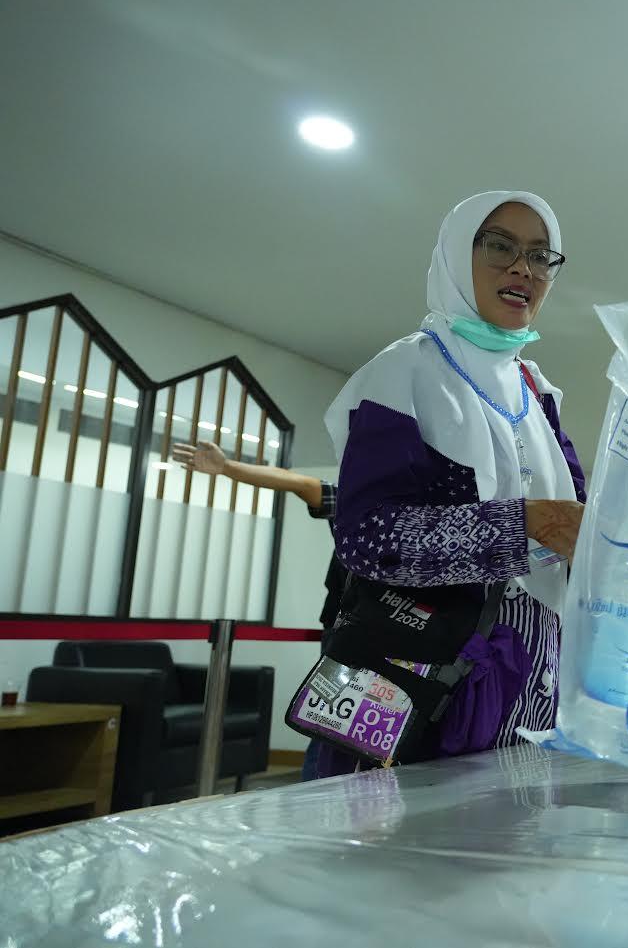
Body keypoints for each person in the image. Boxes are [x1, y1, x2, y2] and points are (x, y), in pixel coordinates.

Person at [317, 190, 586, 777]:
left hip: (526, 679)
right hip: (416, 678)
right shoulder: (405, 371)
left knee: (505, 854)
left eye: (542, 256)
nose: (523, 268)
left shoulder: (537, 393)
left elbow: (579, 524)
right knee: (391, 857)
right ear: (455, 255)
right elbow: (368, 537)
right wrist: (526, 524)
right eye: (499, 246)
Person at [171, 441, 344, 780]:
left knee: (351, 727)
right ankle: (314, 795)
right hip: (346, 630)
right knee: (329, 724)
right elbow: (296, 482)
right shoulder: (359, 504)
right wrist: (227, 468)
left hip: (397, 633)